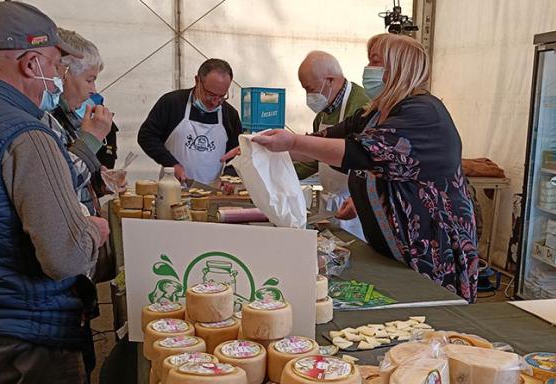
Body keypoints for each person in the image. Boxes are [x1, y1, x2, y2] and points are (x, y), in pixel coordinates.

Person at [228, 33, 479, 302]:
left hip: (430, 249)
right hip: (391, 247)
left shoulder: (424, 113)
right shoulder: (376, 112)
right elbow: (331, 138)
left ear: (398, 66)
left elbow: (361, 152)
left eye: (376, 62)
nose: (368, 69)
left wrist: (292, 142)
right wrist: (259, 147)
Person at [0, 2, 108, 384]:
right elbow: (64, 255)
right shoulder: (26, 133)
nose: (57, 78)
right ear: (32, 62)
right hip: (28, 331)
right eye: (57, 65)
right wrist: (91, 230)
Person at [296, 51, 370, 239]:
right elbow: (315, 158)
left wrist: (360, 198)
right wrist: (283, 171)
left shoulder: (362, 107)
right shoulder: (322, 114)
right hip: (331, 203)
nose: (308, 96)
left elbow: (370, 162)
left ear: (329, 80)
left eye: (310, 89)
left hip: (356, 205)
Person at [42, 28, 114, 216]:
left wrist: (99, 180)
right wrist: (90, 140)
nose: (93, 90)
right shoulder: (42, 118)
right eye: (89, 80)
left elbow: (74, 170)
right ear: (62, 72)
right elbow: (59, 183)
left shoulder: (67, 117)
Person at [138, 58, 242, 184]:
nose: (215, 102)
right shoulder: (172, 103)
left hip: (214, 193)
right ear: (197, 81)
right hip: (173, 190)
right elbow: (146, 136)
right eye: (209, 95)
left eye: (221, 97)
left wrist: (228, 178)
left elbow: (236, 154)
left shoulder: (230, 115)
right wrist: (171, 164)